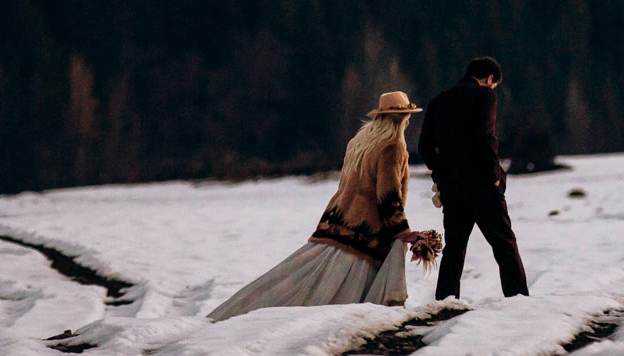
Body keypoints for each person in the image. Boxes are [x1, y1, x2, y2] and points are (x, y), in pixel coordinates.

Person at [207, 91, 437, 321]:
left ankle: (243, 317)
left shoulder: (359, 143)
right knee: (340, 304)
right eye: (407, 116)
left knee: (301, 287)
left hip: (337, 227)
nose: (408, 121)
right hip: (364, 239)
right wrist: (404, 233)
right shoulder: (392, 148)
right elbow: (388, 197)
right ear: (402, 119)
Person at [418, 56, 529, 300]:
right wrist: (494, 177)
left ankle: (445, 303)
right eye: (494, 84)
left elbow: (424, 146)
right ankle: (519, 300)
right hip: (482, 185)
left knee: (454, 250)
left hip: (452, 188)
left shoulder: (439, 100)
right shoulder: (485, 95)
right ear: (489, 79)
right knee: (504, 244)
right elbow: (486, 137)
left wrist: (441, 174)